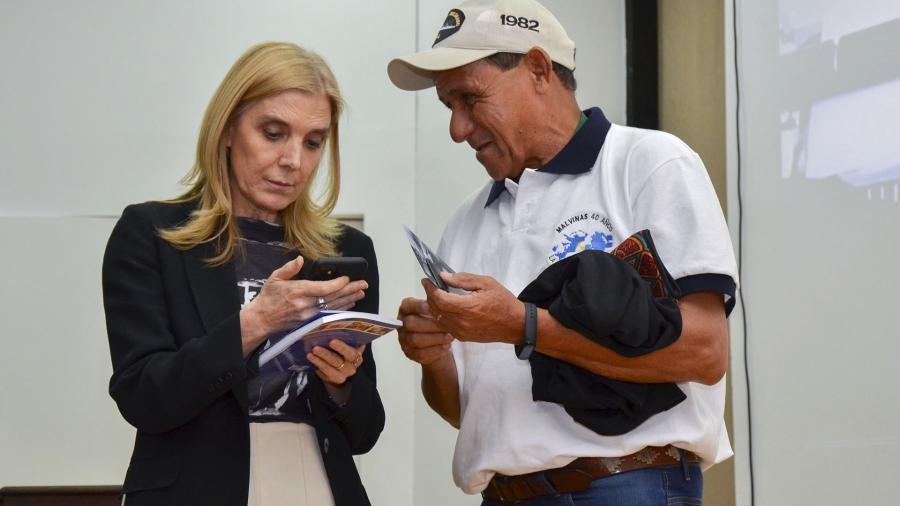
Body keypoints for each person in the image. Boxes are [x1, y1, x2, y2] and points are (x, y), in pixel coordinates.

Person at [388, 0, 738, 504]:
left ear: (537, 69)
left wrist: (521, 325)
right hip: (503, 494)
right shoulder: (466, 221)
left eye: (469, 98)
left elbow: (706, 351)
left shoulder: (650, 164)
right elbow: (471, 413)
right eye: (450, 108)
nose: (457, 129)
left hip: (626, 485)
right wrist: (435, 355)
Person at [103, 42, 384, 506]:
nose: (294, 160)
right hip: (194, 487)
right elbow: (143, 398)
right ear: (229, 127)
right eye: (273, 133)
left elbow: (366, 432)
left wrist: (341, 383)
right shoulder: (153, 234)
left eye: (313, 142)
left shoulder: (348, 251)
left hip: (318, 483)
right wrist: (256, 323)